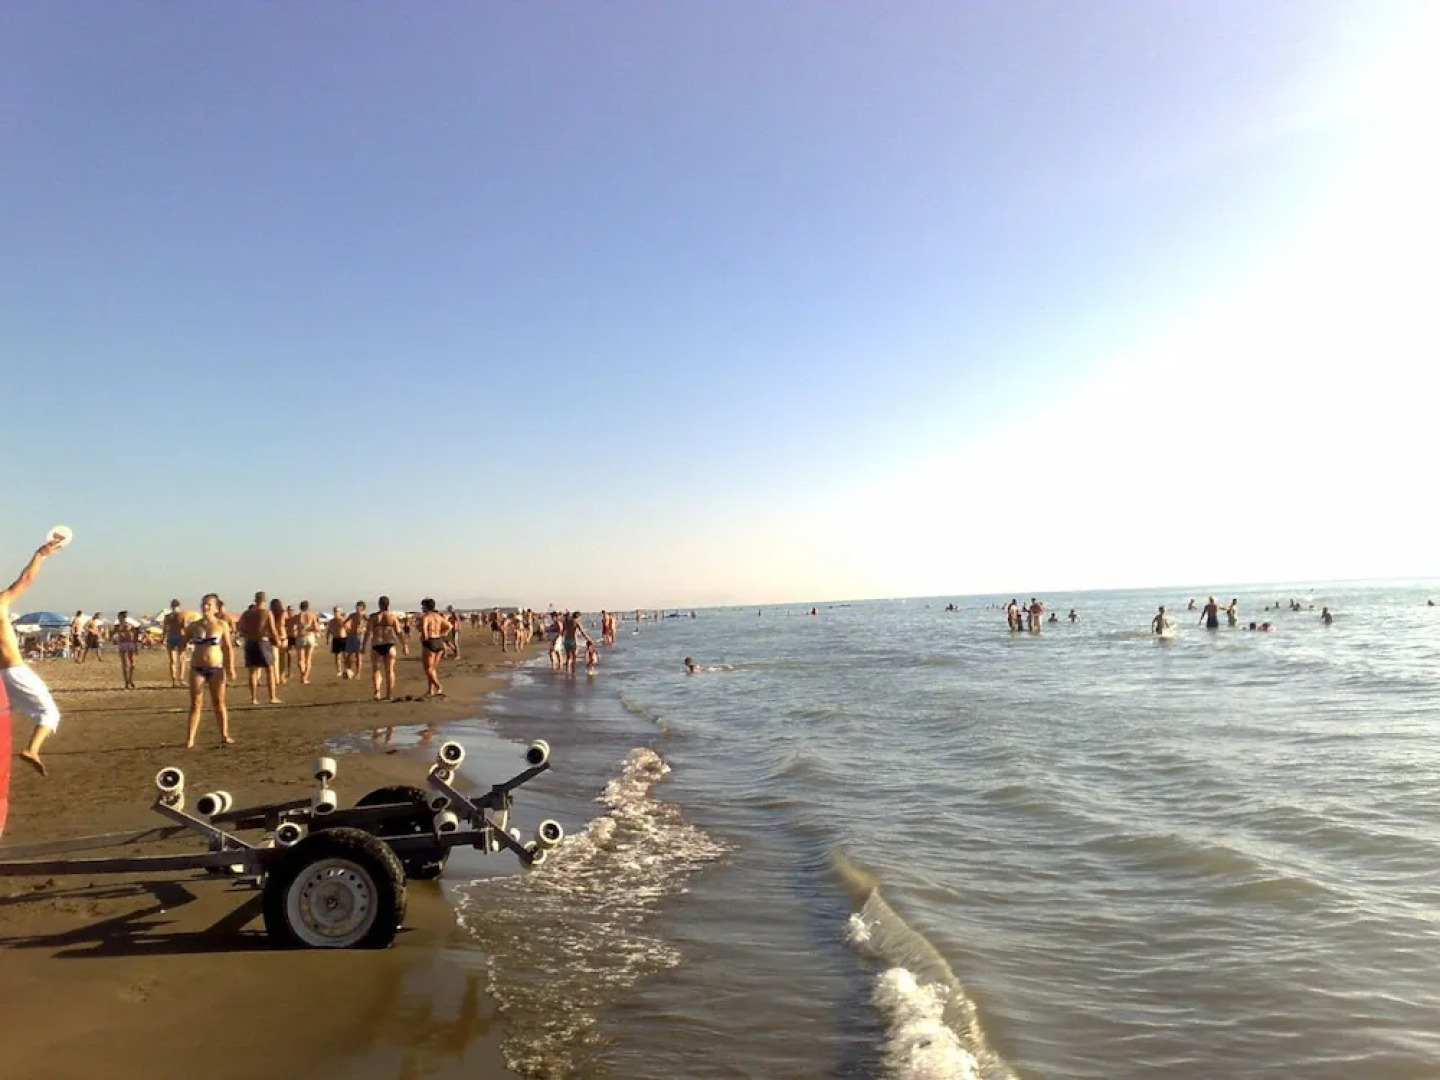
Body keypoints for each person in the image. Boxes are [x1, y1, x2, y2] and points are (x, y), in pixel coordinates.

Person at [2, 536, 68, 777]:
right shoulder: (0, 602)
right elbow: (26, 579)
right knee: (50, 713)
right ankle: (32, 750)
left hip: (2, 677)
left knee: (7, 711)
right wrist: (40, 555)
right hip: (14, 671)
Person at [185, 593, 235, 749]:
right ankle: (190, 738)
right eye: (203, 604)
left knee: (219, 702)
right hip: (197, 668)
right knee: (196, 703)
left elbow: (227, 648)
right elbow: (182, 642)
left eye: (209, 604)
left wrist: (230, 668)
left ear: (215, 607)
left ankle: (224, 735)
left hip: (216, 668)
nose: (205, 607)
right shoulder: (194, 626)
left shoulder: (221, 625)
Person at [237, 591, 283, 705]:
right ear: (264, 601)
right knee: (270, 670)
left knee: (253, 672)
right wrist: (278, 641)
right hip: (263, 642)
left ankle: (254, 698)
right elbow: (272, 629)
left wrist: (248, 636)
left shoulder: (246, 614)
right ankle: (272, 697)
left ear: (255, 600)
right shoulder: (267, 613)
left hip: (250, 643)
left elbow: (240, 629)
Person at [364, 595, 407, 701]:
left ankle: (377, 692)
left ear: (379, 604)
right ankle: (389, 694)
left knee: (376, 670)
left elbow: (368, 632)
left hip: (377, 644)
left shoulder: (374, 617)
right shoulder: (392, 617)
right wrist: (404, 645)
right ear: (388, 604)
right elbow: (398, 632)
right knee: (390, 671)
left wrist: (363, 646)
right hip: (389, 644)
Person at [417, 598, 452, 697]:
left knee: (428, 668)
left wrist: (425, 639)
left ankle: (438, 686)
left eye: (423, 606)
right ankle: (430, 690)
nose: (422, 608)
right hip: (438, 641)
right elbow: (449, 626)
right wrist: (441, 634)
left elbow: (423, 628)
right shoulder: (438, 616)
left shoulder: (426, 617)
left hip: (430, 641)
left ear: (426, 606)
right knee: (432, 669)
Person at [291, 600, 319, 684]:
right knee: (308, 659)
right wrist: (312, 629)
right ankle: (305, 677)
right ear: (308, 607)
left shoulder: (297, 616)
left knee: (300, 660)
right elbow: (316, 627)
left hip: (300, 637)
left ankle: (303, 674)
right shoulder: (312, 615)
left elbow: (291, 626)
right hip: (310, 636)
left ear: (300, 607)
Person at [162, 599, 189, 686]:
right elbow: (185, 627)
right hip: (179, 637)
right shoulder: (182, 615)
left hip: (172, 637)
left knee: (173, 660)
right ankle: (180, 679)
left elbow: (165, 629)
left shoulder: (168, 616)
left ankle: (174, 680)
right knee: (181, 659)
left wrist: (163, 638)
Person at [112, 611, 141, 690]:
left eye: (124, 616)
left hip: (130, 644)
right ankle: (126, 682)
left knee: (132, 663)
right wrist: (114, 639)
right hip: (122, 644)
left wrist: (136, 646)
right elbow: (113, 634)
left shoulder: (130, 625)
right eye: (121, 617)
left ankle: (130, 679)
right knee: (124, 664)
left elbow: (135, 636)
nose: (122, 618)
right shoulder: (117, 626)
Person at [269, 599, 290, 686]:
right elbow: (288, 623)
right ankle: (282, 677)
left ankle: (276, 679)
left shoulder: (270, 614)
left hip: (273, 638)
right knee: (282, 660)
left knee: (275, 661)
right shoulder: (283, 613)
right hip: (283, 637)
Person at [344, 601, 367, 679]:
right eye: (357, 606)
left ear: (363, 608)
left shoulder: (364, 615)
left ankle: (358, 673)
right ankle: (348, 670)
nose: (357, 608)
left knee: (358, 655)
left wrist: (363, 628)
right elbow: (345, 623)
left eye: (359, 606)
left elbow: (370, 622)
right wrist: (347, 628)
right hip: (351, 635)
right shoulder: (352, 615)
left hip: (359, 636)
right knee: (349, 655)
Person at [329, 605, 349, 677]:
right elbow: (329, 630)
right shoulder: (331, 621)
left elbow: (348, 628)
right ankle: (339, 670)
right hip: (335, 639)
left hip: (343, 638)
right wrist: (327, 639)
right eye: (335, 611)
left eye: (337, 611)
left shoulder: (343, 620)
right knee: (337, 656)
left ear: (340, 612)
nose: (336, 613)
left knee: (345, 655)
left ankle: (346, 669)